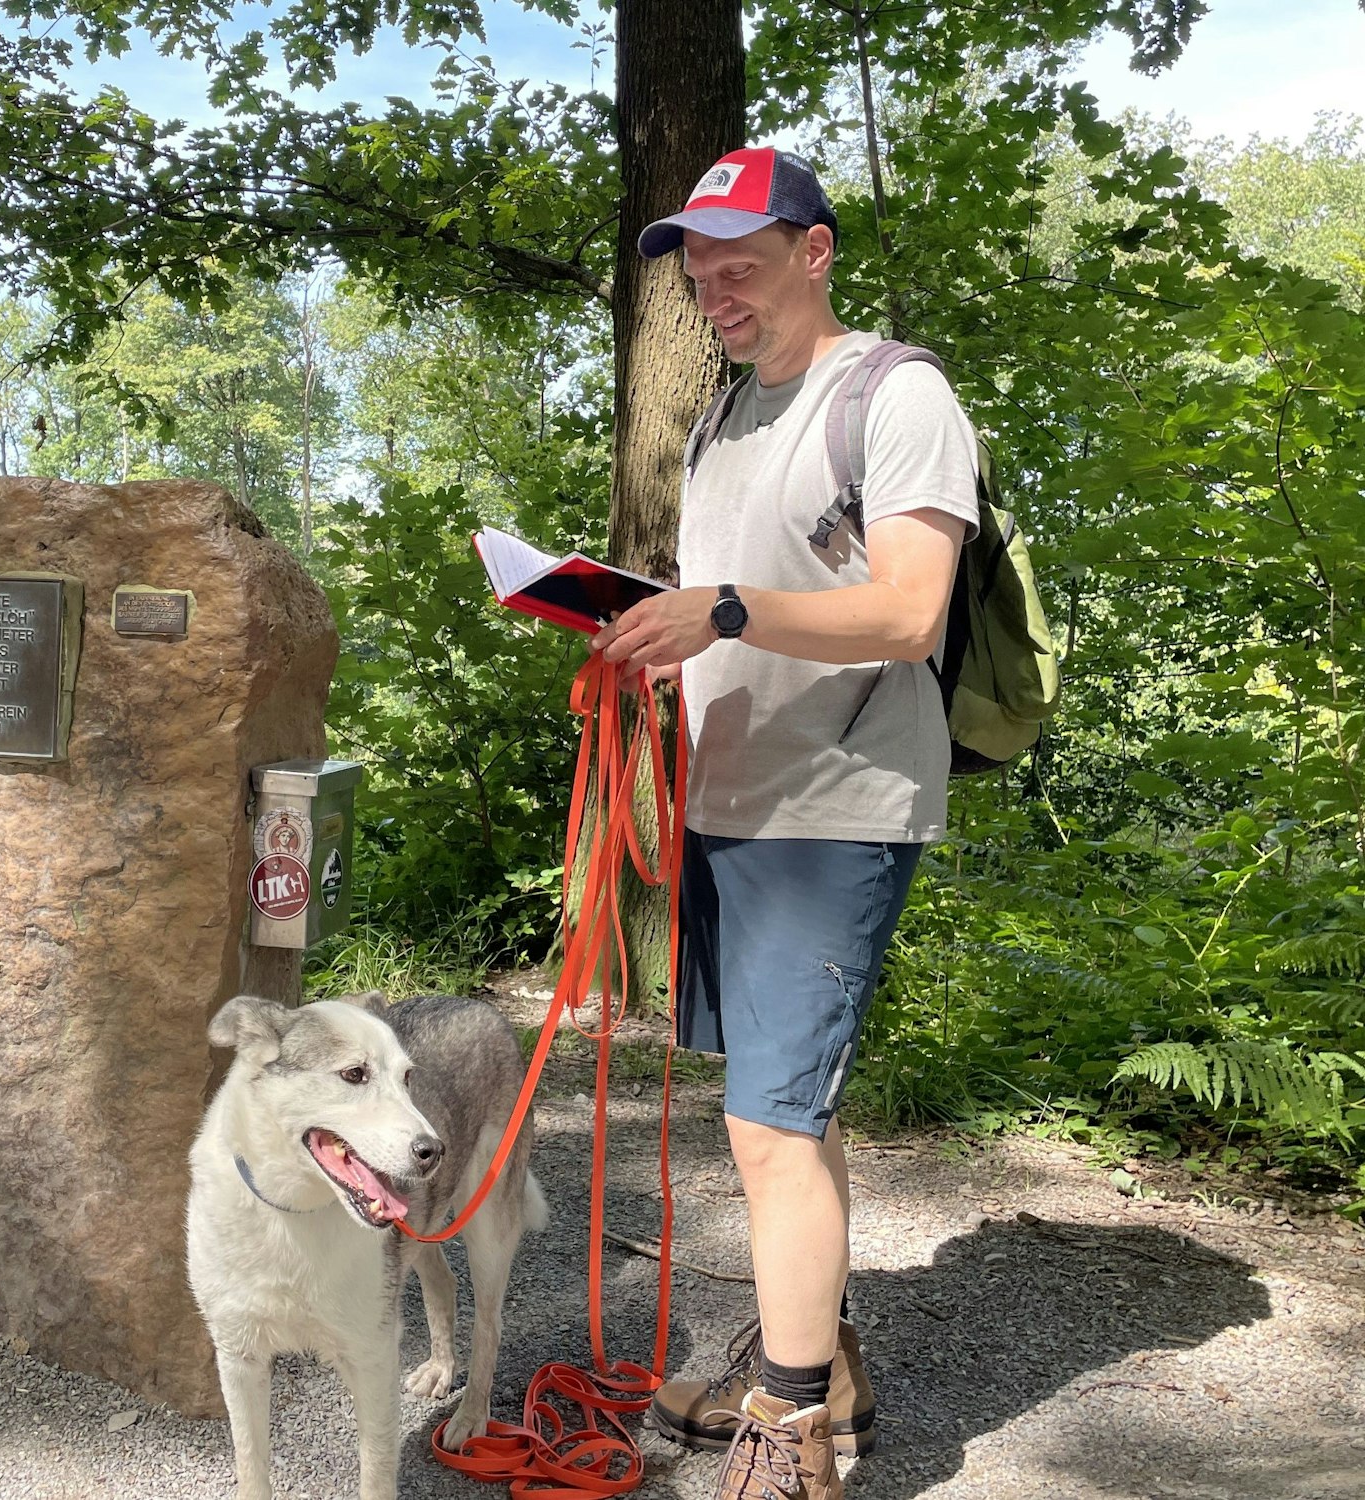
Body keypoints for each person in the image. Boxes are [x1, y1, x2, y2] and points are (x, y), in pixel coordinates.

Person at [592, 146, 980, 1500]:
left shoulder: (896, 392)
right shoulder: (721, 419)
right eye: (697, 265)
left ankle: (793, 1424)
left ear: (815, 252)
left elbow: (907, 610)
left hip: (836, 806)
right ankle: (822, 1354)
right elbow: (728, 596)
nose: (713, 286)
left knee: (765, 1126)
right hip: (730, 801)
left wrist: (727, 610)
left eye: (739, 259)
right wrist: (639, 619)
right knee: (788, 1116)